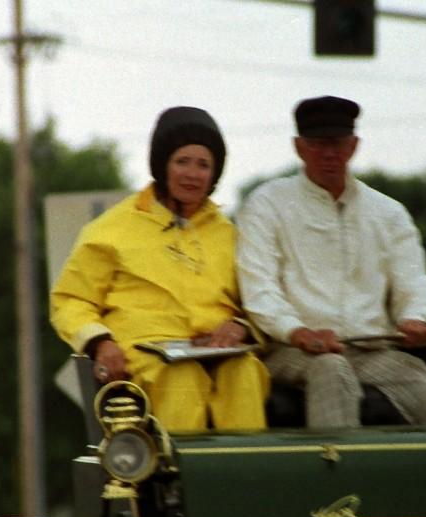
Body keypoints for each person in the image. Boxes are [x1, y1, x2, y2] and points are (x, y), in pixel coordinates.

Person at [235, 95, 426, 428]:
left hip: (372, 351)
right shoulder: (267, 204)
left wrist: (418, 317)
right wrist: (298, 331)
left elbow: (416, 284)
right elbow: (258, 289)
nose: (328, 153)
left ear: (353, 146)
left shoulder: (388, 213)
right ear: (299, 147)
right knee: (332, 370)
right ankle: (342, 480)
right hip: (289, 351)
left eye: (337, 143)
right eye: (317, 144)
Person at [50, 106, 269, 431]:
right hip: (147, 352)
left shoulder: (229, 234)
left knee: (245, 373)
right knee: (183, 379)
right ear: (162, 165)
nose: (192, 174)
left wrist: (240, 326)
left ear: (215, 174)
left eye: (203, 165)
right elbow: (70, 301)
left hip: (219, 351)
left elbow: (260, 300)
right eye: (182, 162)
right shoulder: (112, 228)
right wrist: (101, 343)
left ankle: (246, 476)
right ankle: (181, 479)